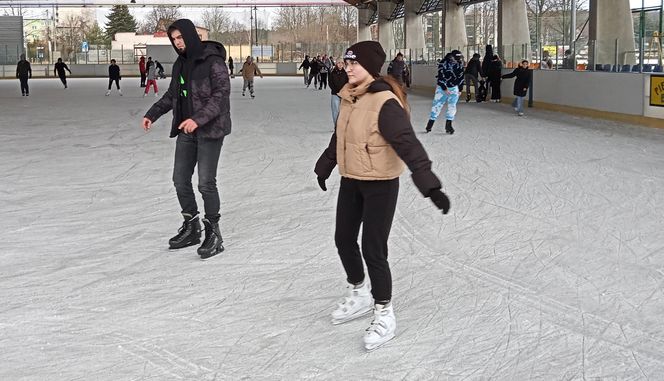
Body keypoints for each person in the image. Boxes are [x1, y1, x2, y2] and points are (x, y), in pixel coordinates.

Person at [314, 41, 451, 352]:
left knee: (373, 249)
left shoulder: (384, 101)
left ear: (370, 67)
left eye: (354, 63)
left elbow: (407, 143)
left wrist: (431, 186)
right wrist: (325, 166)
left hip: (380, 183)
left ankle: (384, 312)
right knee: (343, 239)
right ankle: (359, 291)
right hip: (352, 179)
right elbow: (342, 136)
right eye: (346, 62)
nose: (347, 67)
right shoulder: (350, 96)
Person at [141, 19, 231, 260]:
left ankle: (214, 232)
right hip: (187, 130)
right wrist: (153, 113)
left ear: (191, 36)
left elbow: (221, 95)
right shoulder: (181, 64)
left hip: (210, 130)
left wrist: (198, 119)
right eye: (174, 39)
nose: (178, 43)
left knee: (205, 183)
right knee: (180, 179)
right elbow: (173, 95)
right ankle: (192, 226)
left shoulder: (213, 61)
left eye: (181, 37)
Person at [425, 50, 465, 134]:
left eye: (458, 59)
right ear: (452, 56)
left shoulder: (460, 64)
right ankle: (430, 123)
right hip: (442, 88)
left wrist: (460, 89)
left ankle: (448, 125)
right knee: (437, 105)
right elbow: (440, 76)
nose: (457, 60)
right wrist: (444, 88)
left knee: (452, 106)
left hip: (454, 88)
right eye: (456, 58)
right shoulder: (443, 63)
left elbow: (461, 77)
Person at [328, 59, 348, 126]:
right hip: (335, 94)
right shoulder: (332, 73)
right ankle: (336, 126)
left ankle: (342, 125)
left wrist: (344, 91)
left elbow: (347, 83)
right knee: (335, 111)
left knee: (343, 111)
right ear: (336, 64)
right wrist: (336, 91)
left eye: (342, 63)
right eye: (339, 63)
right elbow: (330, 83)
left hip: (343, 94)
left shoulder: (345, 73)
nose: (340, 64)